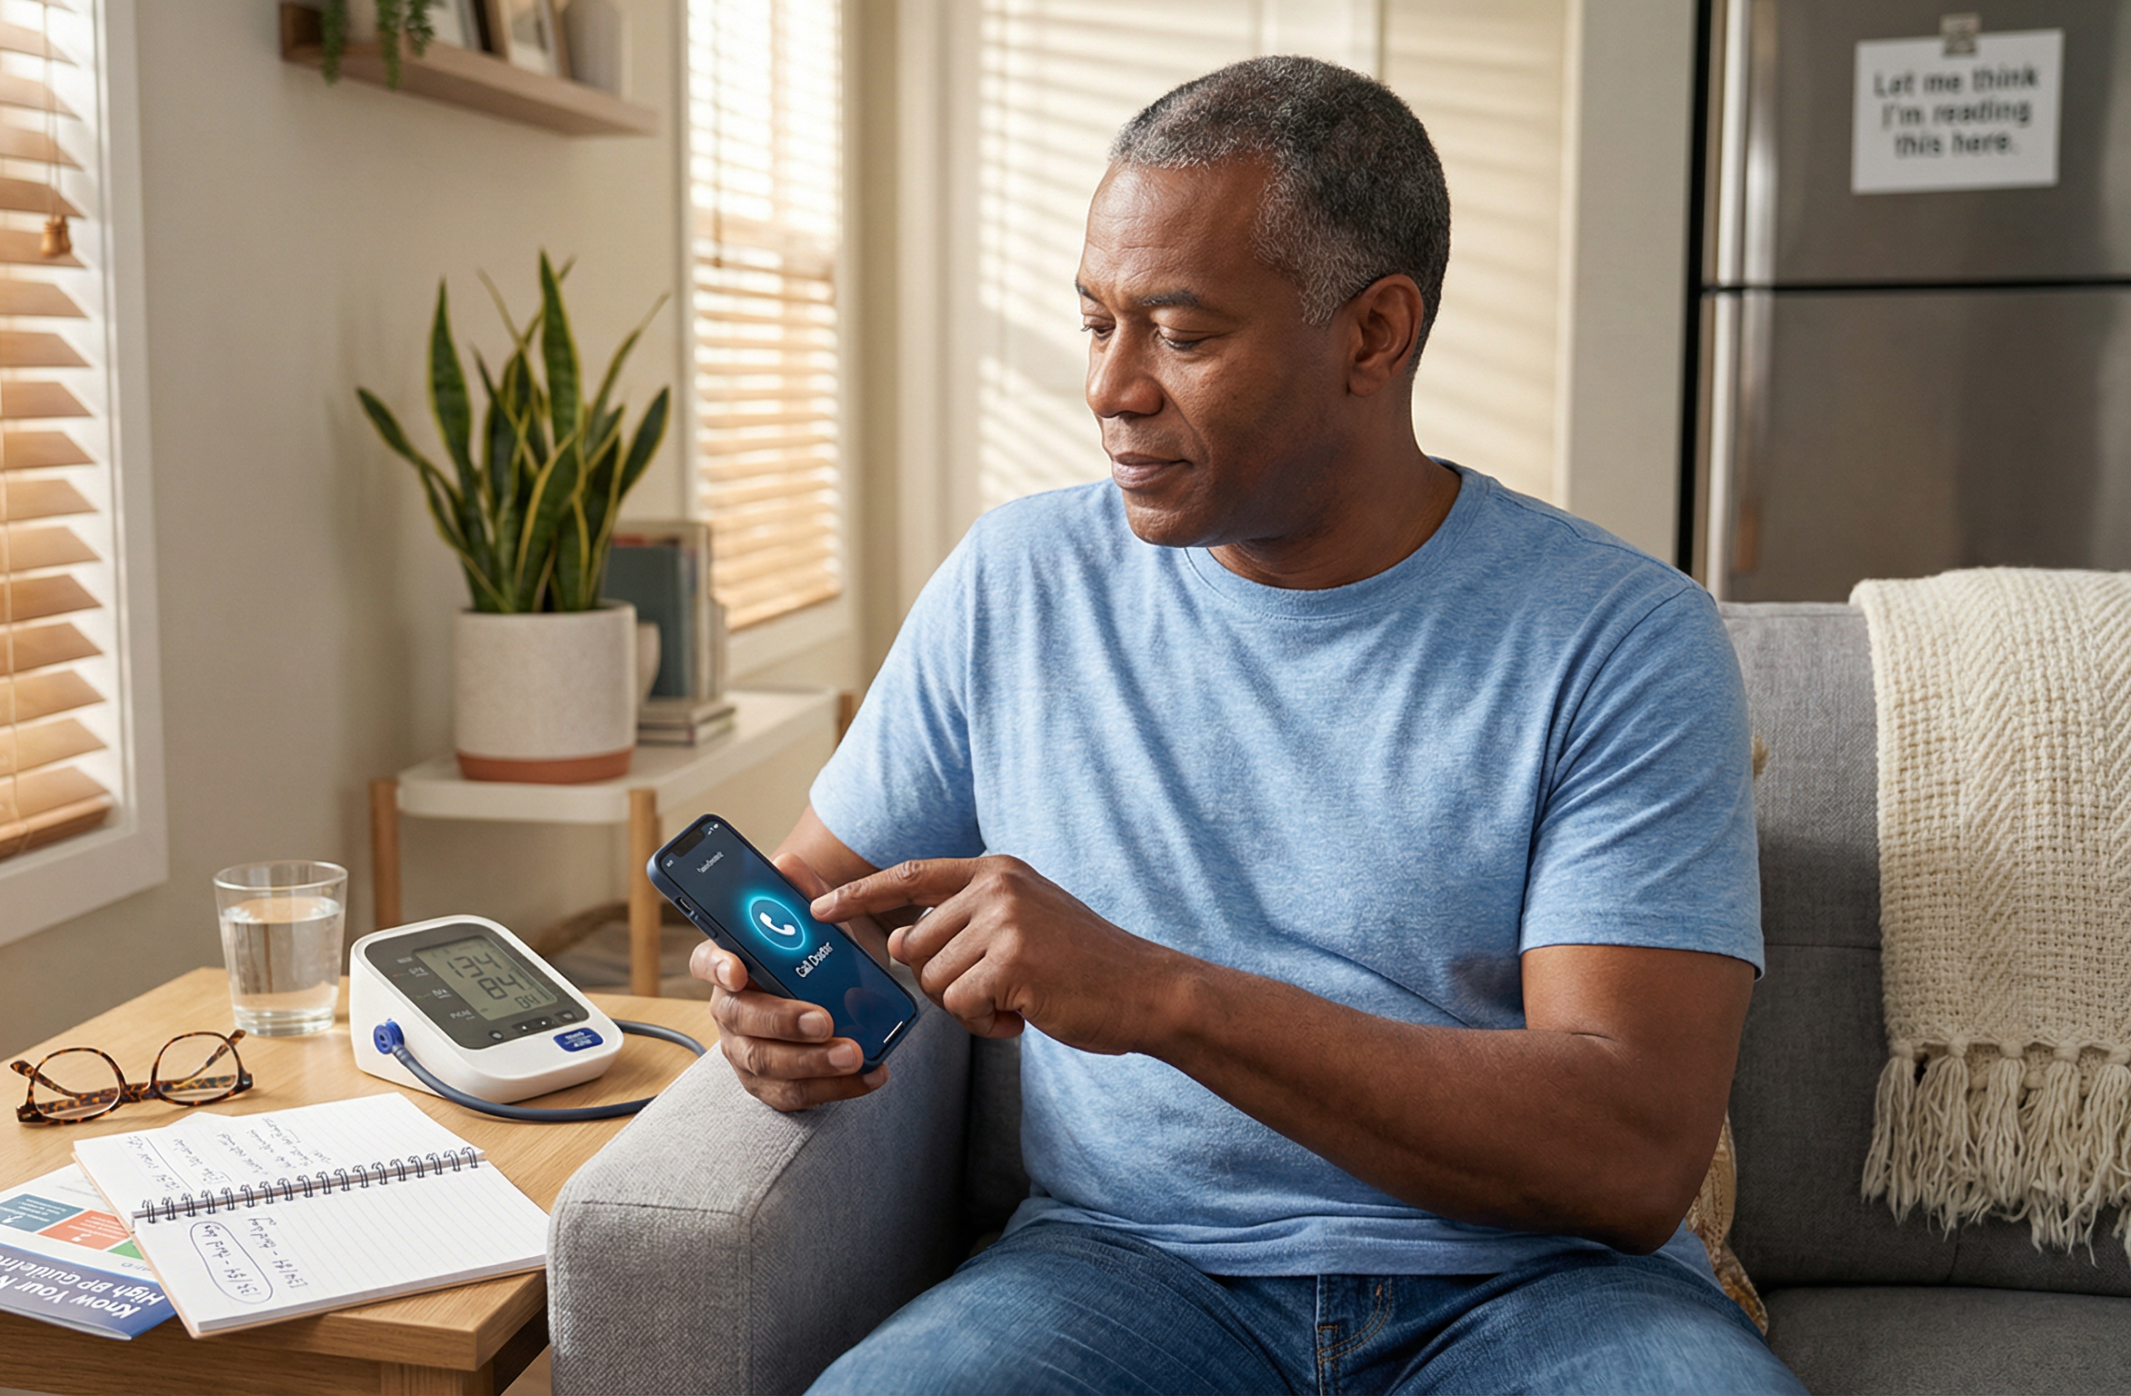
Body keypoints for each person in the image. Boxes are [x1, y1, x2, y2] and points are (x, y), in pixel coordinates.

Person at [691, 56, 1804, 1395]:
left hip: (1547, 1287)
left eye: (1183, 333)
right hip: (1121, 1268)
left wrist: (1160, 996)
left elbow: (1627, 1160)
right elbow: (827, 893)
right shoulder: (1017, 581)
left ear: (1374, 336)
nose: (1111, 388)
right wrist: (777, 1006)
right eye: (1095, 321)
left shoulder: (1620, 637)